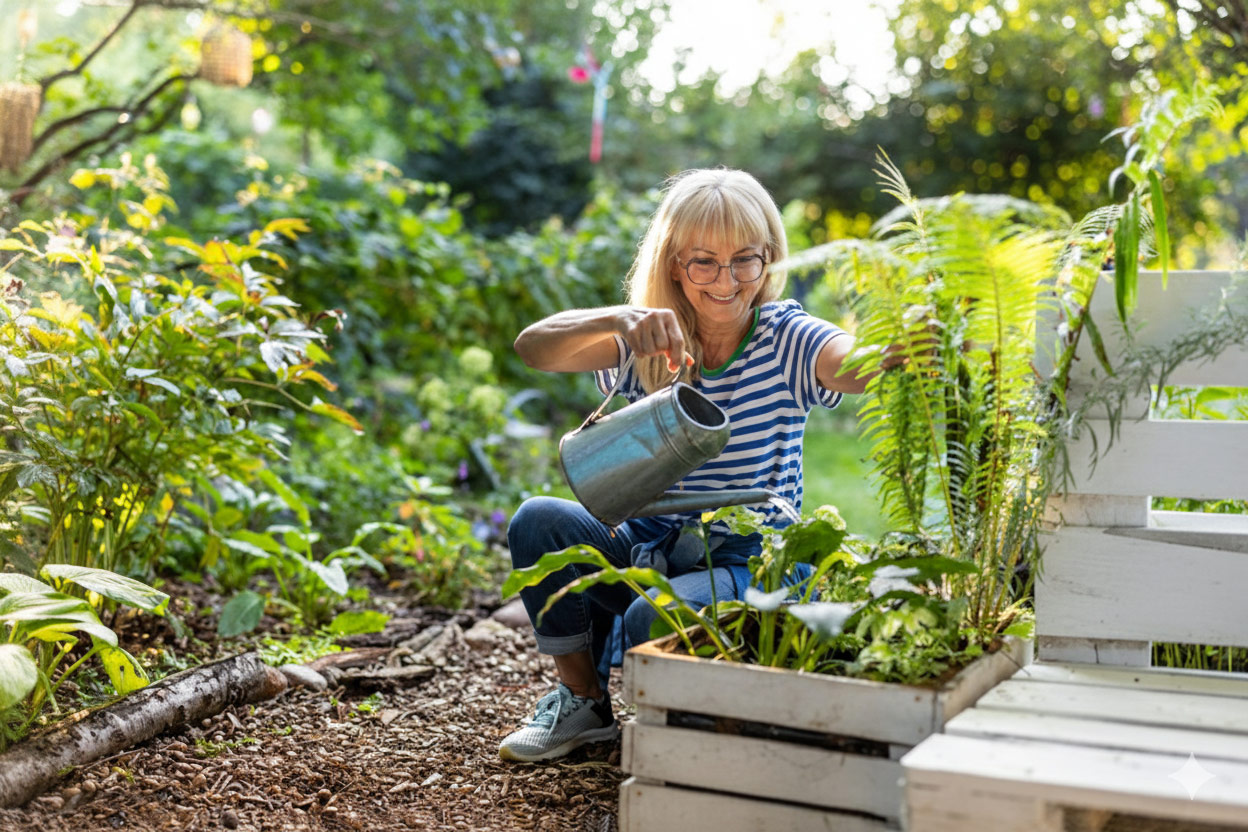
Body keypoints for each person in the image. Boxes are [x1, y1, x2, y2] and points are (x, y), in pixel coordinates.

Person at [498, 168, 874, 762]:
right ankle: (585, 703)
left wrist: (906, 348)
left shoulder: (786, 338)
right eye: (704, 261)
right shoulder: (651, 336)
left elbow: (852, 363)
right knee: (538, 521)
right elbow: (532, 347)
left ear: (769, 261)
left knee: (657, 613)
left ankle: (683, 741)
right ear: (675, 264)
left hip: (752, 563)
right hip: (651, 546)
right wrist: (620, 320)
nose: (726, 281)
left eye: (745, 260)